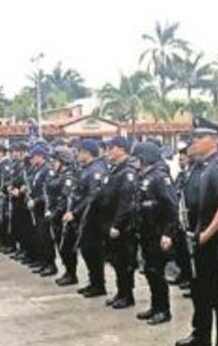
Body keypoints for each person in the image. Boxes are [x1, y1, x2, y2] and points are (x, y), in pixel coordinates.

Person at [175, 117, 218, 346]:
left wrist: (207, 233)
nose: (194, 142)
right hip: (196, 238)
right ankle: (201, 332)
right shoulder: (197, 167)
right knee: (200, 288)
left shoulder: (217, 168)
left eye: (200, 137)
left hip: (214, 239)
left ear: (214, 140)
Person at [133, 141, 177, 324]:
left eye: (137, 158)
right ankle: (155, 306)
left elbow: (171, 207)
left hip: (158, 232)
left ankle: (163, 310)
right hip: (146, 231)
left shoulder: (160, 177)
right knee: (150, 271)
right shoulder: (144, 176)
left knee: (157, 272)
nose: (134, 162)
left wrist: (168, 233)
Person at [101, 136, 138, 309]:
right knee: (116, 261)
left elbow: (126, 202)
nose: (108, 152)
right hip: (110, 222)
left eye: (111, 148)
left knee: (124, 261)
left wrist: (117, 224)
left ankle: (127, 295)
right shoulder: (115, 170)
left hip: (123, 226)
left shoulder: (128, 171)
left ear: (122, 149)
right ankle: (120, 292)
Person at [71, 139, 108, 298]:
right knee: (87, 251)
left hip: (92, 218)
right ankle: (93, 282)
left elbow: (92, 196)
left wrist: (76, 212)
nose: (77, 154)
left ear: (87, 152)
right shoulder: (86, 169)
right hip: (84, 217)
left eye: (78, 151)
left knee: (93, 252)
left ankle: (98, 284)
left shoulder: (95, 170)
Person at [50, 146, 81, 286]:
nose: (53, 163)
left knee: (66, 246)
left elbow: (66, 198)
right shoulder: (59, 175)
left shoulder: (69, 176)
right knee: (61, 246)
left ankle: (71, 273)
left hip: (64, 217)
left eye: (55, 161)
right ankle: (68, 272)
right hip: (57, 215)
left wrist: (55, 213)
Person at [27, 143, 58, 276]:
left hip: (44, 208)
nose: (31, 160)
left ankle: (50, 264)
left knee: (46, 238)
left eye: (33, 157)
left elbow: (47, 192)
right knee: (39, 237)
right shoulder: (36, 170)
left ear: (40, 157)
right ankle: (43, 262)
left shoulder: (47, 170)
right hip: (36, 209)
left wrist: (35, 200)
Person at [170, 138, 194, 288]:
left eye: (183, 157)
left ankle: (191, 279)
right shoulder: (181, 175)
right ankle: (184, 274)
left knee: (189, 251)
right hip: (180, 217)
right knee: (180, 251)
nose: (181, 160)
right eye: (179, 158)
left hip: (191, 218)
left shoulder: (193, 174)